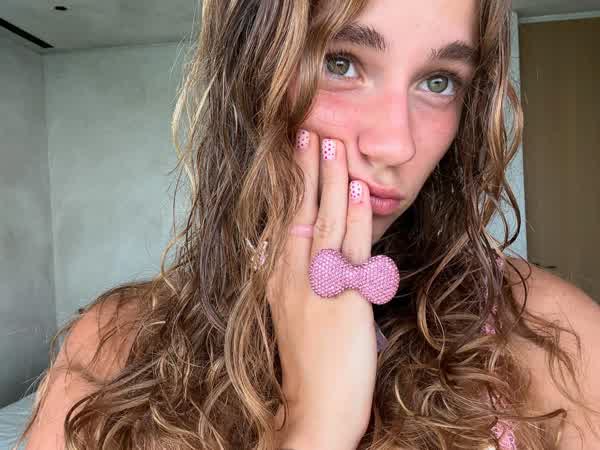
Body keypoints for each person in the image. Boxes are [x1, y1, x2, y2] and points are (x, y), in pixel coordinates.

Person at [15, 0, 600, 449]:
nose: (395, 144)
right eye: (340, 63)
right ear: (248, 74)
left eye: (438, 81)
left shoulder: (558, 337)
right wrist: (314, 425)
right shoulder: (110, 345)